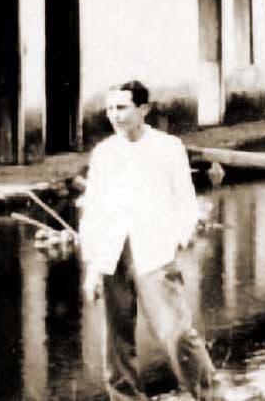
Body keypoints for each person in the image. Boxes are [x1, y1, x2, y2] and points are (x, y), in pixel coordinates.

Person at [78, 81, 215, 401]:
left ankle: (208, 394)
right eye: (110, 109)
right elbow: (94, 211)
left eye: (122, 107)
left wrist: (177, 240)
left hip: (153, 250)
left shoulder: (167, 147)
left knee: (177, 333)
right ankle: (125, 397)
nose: (115, 115)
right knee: (116, 338)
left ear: (143, 109)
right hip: (113, 250)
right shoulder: (104, 153)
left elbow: (186, 201)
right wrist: (92, 268)